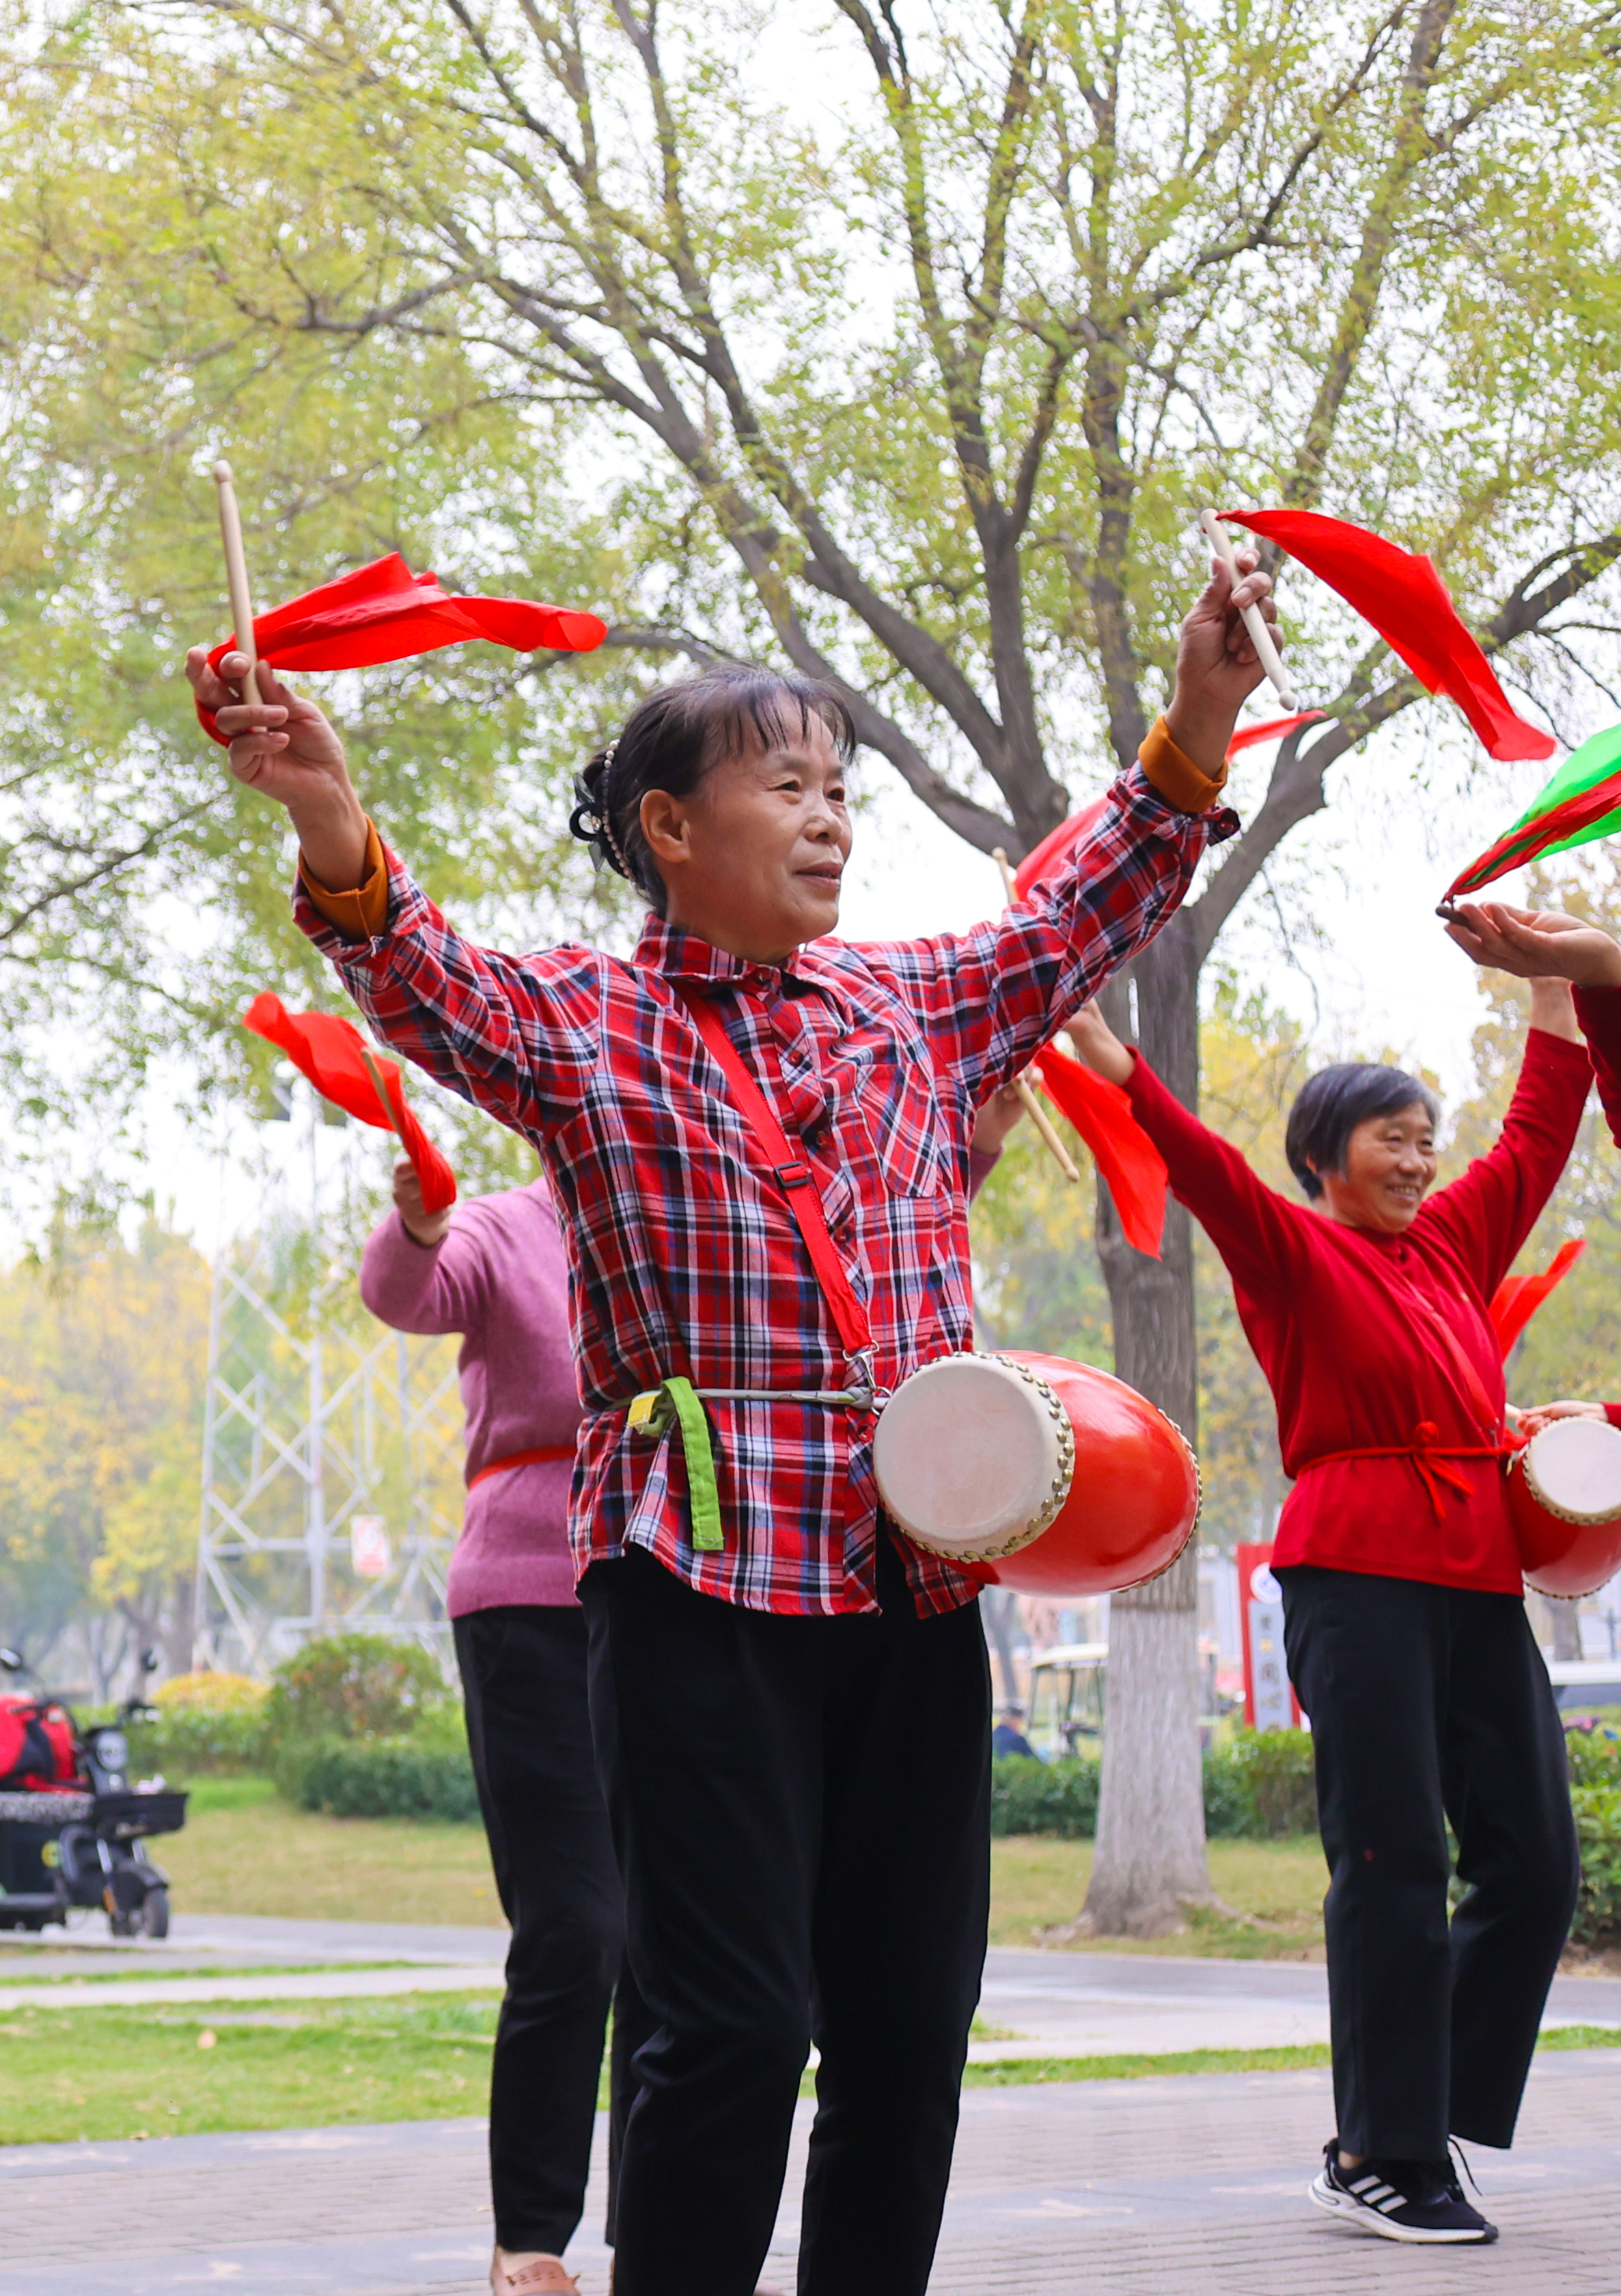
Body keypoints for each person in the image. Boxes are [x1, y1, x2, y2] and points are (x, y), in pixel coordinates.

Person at [186, 554, 1268, 2296]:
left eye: (842, 789)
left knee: (910, 2038)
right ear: (671, 831)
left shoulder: (912, 1005)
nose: (833, 820)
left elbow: (1075, 915)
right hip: (695, 1576)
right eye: (790, 787)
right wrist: (324, 803)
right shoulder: (583, 1025)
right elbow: (413, 969)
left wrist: (1201, 716)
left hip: (915, 1582)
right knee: (732, 2030)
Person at [1063, 902, 1621, 2247]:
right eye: (1393, 1136)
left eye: (1429, 1136)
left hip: (1481, 1576)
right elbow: (1193, 1165)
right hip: (1353, 1571)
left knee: (1535, 1865)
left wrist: (1551, 972)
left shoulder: (1454, 1245)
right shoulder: (1290, 1248)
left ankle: (1430, 2117)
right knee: (1389, 1864)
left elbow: (1541, 1132)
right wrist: (1109, 1056)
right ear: (1325, 1155)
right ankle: (1383, 2151)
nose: (1423, 1156)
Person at [358, 1154, 639, 2296]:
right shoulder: (503, 1230)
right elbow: (406, 1294)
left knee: (689, 1940)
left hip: (685, 1596)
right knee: (577, 1929)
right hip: (530, 1602)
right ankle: (530, 2236)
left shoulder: (681, 1217)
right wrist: (416, 1226)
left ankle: (674, 2238)